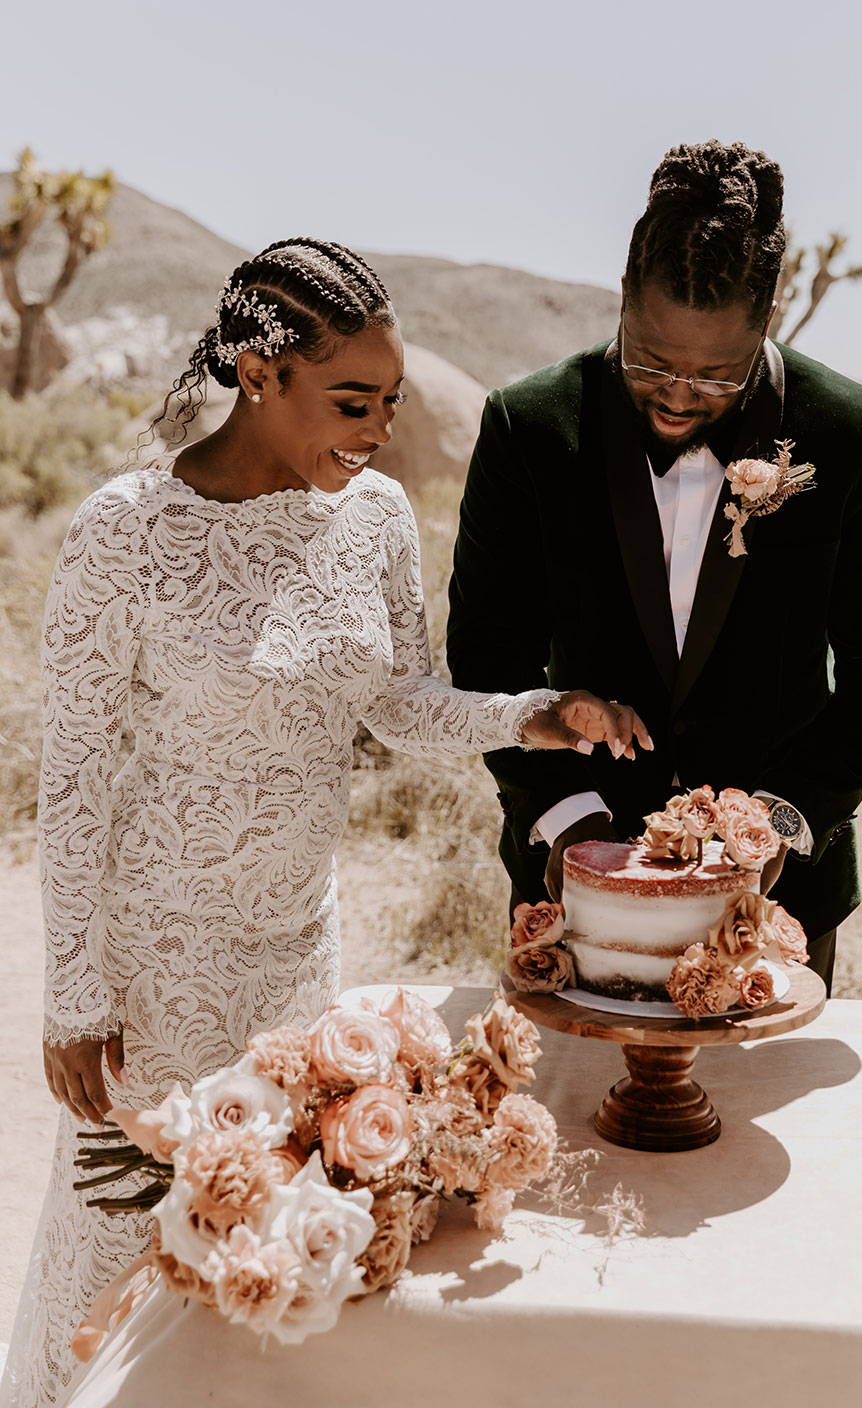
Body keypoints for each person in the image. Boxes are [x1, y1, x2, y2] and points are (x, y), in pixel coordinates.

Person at [1, 238, 649, 1408]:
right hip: (155, 975)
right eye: (353, 402)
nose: (378, 431)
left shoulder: (376, 517)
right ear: (258, 372)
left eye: (391, 404)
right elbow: (78, 781)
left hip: (300, 962)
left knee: (281, 1247)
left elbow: (396, 702)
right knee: (125, 1250)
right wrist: (75, 995)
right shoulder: (125, 533)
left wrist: (530, 713)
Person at [447, 140, 862, 988]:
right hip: (571, 880)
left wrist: (776, 824)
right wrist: (570, 825)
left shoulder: (857, 438)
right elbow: (488, 654)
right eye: (649, 362)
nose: (678, 395)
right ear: (623, 299)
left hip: (780, 899)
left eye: (715, 377)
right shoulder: (526, 428)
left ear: (768, 322)